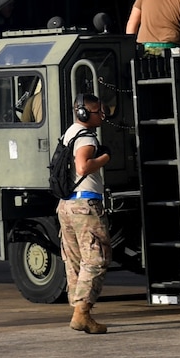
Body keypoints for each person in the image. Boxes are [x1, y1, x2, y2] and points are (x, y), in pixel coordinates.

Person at [58, 93, 112, 335]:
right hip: (85, 206)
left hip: (66, 205)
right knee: (97, 258)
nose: (102, 115)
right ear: (83, 114)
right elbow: (83, 166)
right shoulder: (86, 138)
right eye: (97, 111)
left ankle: (79, 312)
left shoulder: (69, 133)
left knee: (75, 261)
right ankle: (82, 312)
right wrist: (104, 158)